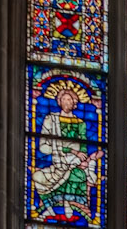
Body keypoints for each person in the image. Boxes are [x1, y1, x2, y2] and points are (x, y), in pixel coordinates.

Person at [31, 80, 94, 220]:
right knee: (37, 177)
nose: (67, 103)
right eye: (64, 99)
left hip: (75, 162)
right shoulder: (50, 120)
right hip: (57, 162)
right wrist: (66, 150)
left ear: (74, 103)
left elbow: (83, 145)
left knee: (79, 175)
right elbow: (43, 147)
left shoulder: (80, 123)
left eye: (70, 100)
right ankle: (48, 207)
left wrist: (82, 159)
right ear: (59, 102)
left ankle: (72, 205)